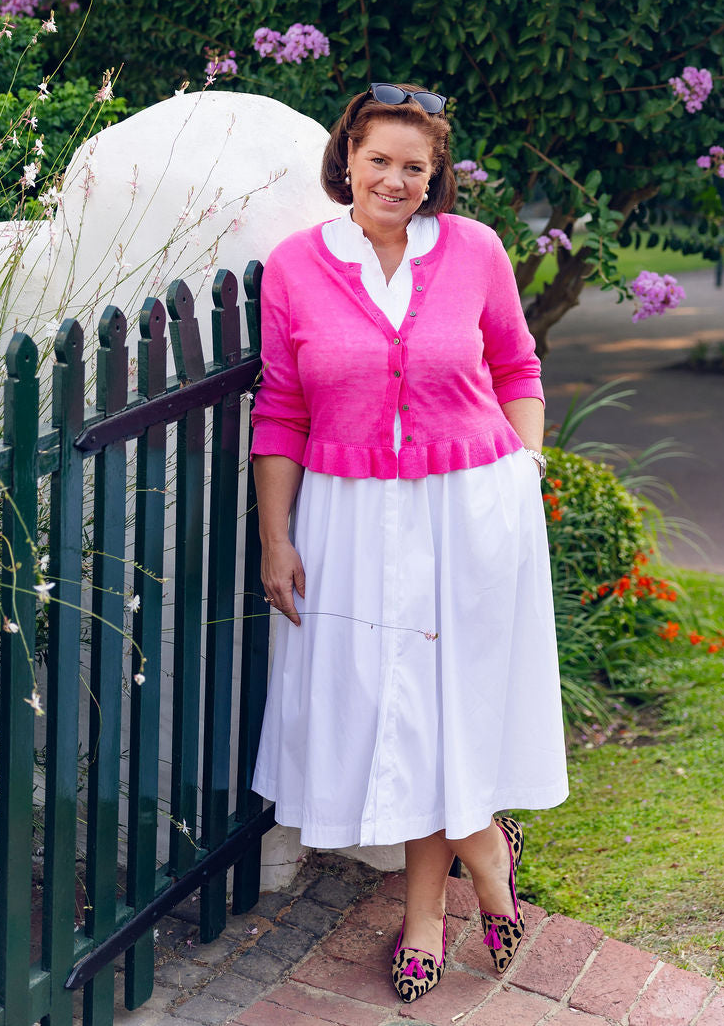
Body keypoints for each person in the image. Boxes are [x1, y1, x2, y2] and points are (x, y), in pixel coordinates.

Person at [250, 83, 568, 1003]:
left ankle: (426, 914)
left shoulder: (474, 250)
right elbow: (281, 409)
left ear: (435, 177)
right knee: (397, 710)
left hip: (468, 510)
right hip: (350, 520)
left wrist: (525, 472)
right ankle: (489, 855)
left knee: (444, 707)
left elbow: (517, 364)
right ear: (347, 158)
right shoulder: (296, 266)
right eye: (379, 160)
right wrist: (276, 537)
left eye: (414, 167)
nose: (394, 179)